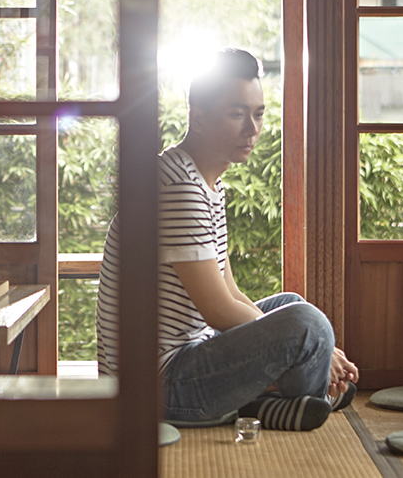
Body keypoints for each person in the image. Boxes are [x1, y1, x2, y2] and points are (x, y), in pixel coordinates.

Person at [95, 48, 358, 432]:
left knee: (292, 306)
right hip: (157, 385)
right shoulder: (178, 188)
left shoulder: (206, 184)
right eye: (237, 114)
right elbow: (218, 311)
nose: (251, 129)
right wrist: (318, 346)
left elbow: (229, 290)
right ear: (198, 119)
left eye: (258, 113)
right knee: (308, 325)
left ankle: (270, 401)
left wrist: (316, 346)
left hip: (190, 356)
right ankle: (287, 397)